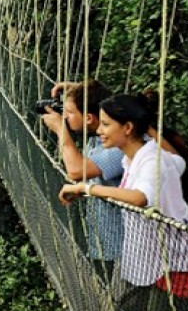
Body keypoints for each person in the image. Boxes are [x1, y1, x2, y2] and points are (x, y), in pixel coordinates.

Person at [58, 94, 188, 311]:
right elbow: (177, 162)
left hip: (178, 264)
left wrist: (87, 189)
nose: (99, 130)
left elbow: (140, 197)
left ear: (128, 127)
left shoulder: (152, 160)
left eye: (106, 124)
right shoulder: (133, 158)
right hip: (155, 259)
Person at [41, 79, 125, 275]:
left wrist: (60, 130)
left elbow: (76, 171)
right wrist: (78, 90)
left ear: (88, 118)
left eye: (69, 113)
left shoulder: (118, 144)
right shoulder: (97, 137)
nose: (64, 117)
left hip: (123, 250)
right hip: (104, 243)